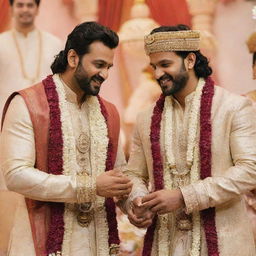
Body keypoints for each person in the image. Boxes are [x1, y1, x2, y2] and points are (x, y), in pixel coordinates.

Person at [0, 21, 133, 256]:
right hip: (40, 241)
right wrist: (90, 186)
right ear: (73, 58)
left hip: (97, 243)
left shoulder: (109, 113)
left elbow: (118, 176)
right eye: (99, 64)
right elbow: (15, 176)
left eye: (109, 66)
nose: (105, 74)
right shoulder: (28, 104)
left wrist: (133, 204)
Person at [122, 25, 256, 256]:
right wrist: (138, 202)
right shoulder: (146, 118)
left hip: (224, 242)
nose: (157, 74)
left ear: (190, 60)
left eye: (165, 64)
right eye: (153, 67)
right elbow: (133, 173)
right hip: (165, 243)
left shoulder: (233, 108)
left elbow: (250, 169)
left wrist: (184, 196)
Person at [0, 0, 62, 119]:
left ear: (37, 9)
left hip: (45, 116)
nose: (25, 9)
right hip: (7, 114)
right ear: (11, 9)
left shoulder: (54, 43)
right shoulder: (1, 42)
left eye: (30, 5)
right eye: (20, 5)